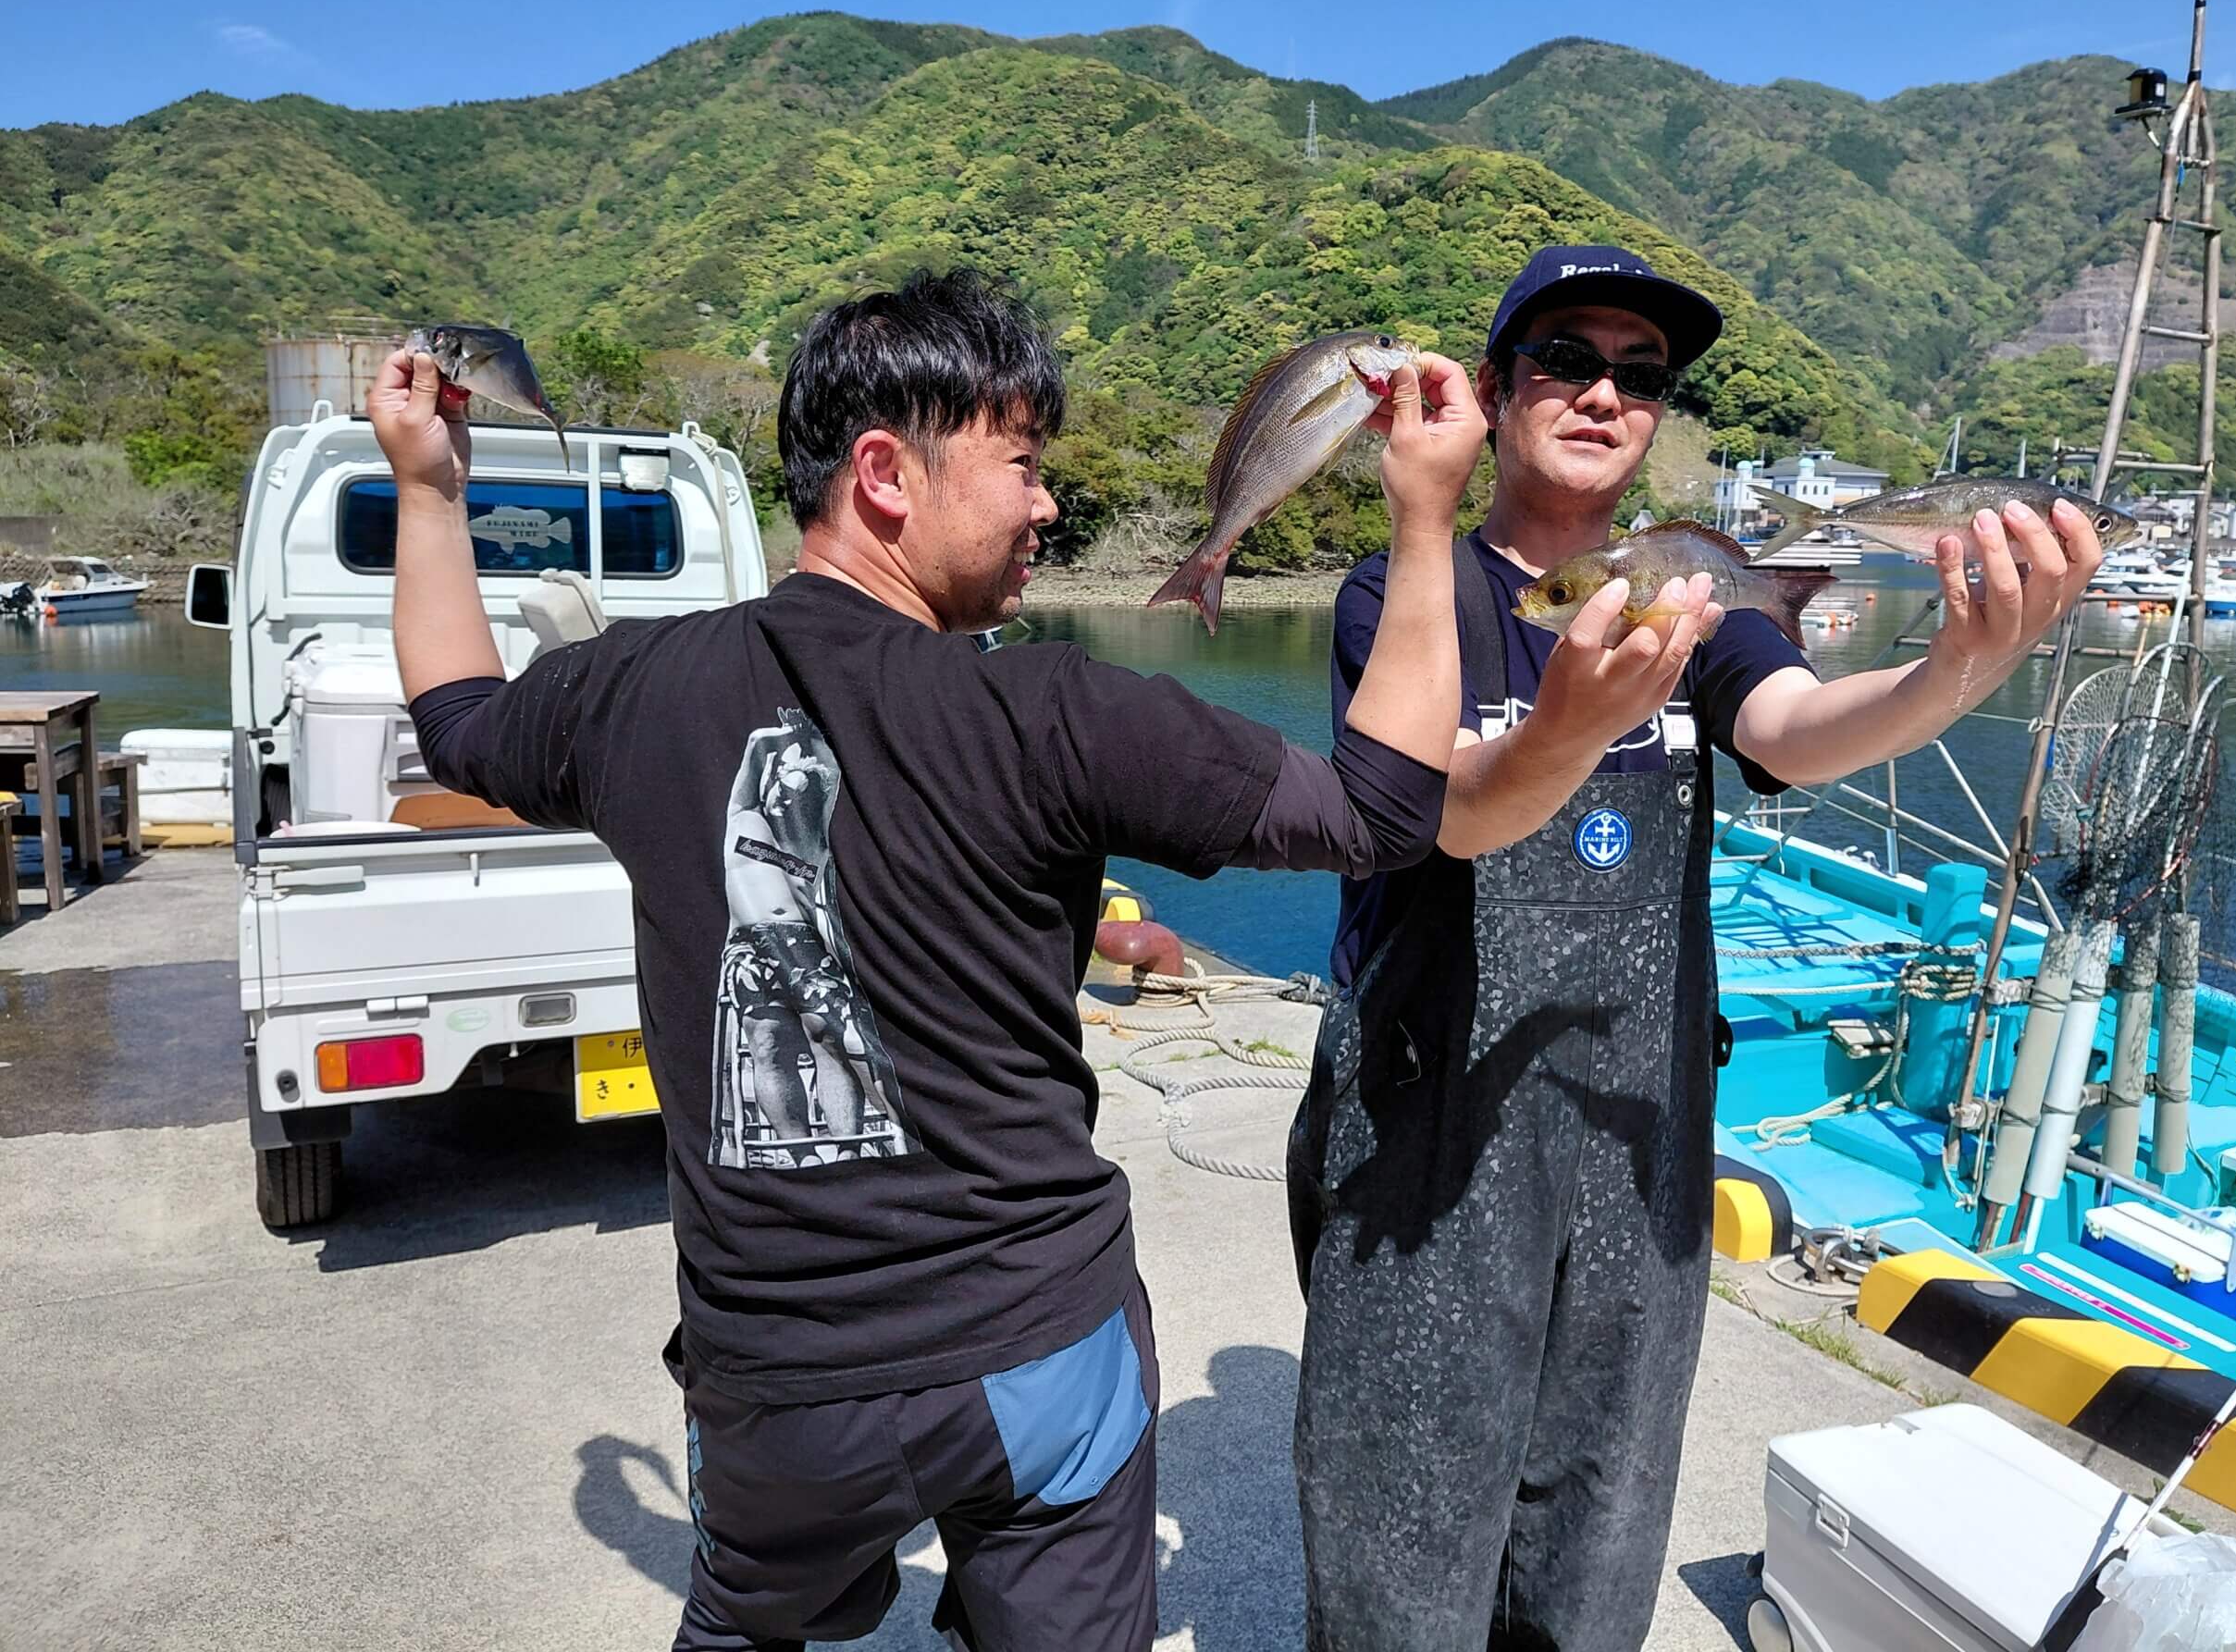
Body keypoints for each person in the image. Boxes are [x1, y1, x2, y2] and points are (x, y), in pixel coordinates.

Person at [367, 266, 1485, 1652]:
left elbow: (460, 723)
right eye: (1022, 465)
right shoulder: (1054, 712)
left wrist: (430, 490)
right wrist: (1423, 521)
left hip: (774, 1378)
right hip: (1037, 1350)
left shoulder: (633, 690)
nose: (1046, 504)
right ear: (886, 474)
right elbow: (1382, 812)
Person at [1288, 244, 2106, 1652]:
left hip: (1636, 1127)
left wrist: (1964, 663)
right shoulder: (1404, 594)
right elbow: (1446, 816)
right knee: (1402, 1517)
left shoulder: (1692, 601)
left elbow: (1803, 728)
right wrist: (1566, 731)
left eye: (1641, 374)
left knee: (1597, 1522)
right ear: (1494, 389)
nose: (1604, 393)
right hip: (1429, 1119)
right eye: (1566, 359)